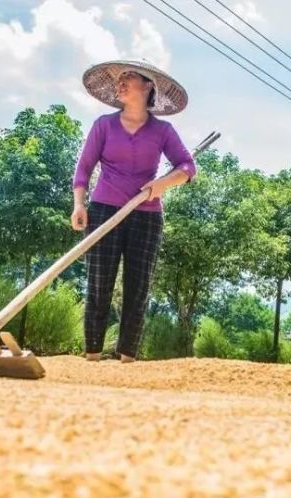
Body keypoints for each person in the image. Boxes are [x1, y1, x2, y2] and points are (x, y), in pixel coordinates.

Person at [71, 60, 197, 363]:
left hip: (147, 215)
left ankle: (127, 356)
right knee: (99, 283)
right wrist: (79, 203)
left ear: (148, 86)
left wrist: (162, 184)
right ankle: (92, 355)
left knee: (137, 287)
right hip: (103, 211)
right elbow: (84, 168)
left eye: (128, 77)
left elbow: (187, 167)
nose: (121, 83)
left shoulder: (163, 131)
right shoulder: (103, 125)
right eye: (119, 80)